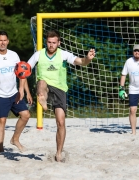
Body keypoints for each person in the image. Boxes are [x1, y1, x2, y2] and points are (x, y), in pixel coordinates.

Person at [27, 30, 96, 162]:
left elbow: (80, 61)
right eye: (49, 42)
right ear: (46, 42)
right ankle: (42, 97)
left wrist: (88, 58)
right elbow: (26, 69)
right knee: (41, 83)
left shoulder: (63, 54)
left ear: (59, 43)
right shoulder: (38, 55)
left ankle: (59, 152)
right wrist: (22, 84)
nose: (51, 45)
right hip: (45, 85)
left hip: (60, 89)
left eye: (54, 42)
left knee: (61, 122)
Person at [0, 30, 32, 153]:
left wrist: (26, 91)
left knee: (26, 115)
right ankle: (1, 149)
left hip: (14, 93)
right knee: (2, 121)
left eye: (4, 40)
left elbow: (22, 74)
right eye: (0, 40)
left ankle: (15, 139)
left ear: (8, 41)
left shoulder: (14, 55)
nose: (2, 43)